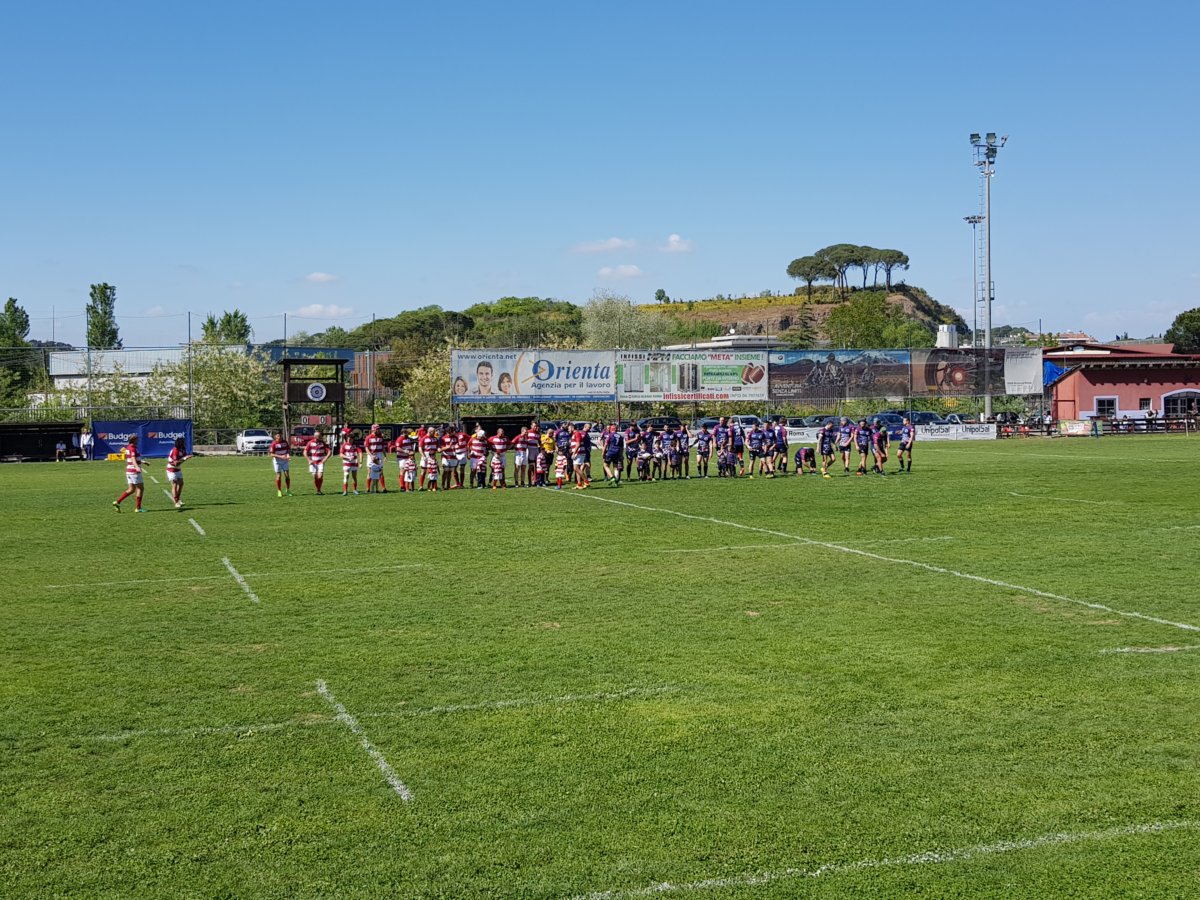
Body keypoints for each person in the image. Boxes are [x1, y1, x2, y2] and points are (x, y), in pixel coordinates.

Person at [113, 434, 149, 512]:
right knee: (140, 488)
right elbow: (133, 459)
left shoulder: (129, 447)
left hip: (129, 471)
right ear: (134, 440)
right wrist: (137, 467)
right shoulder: (132, 448)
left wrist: (142, 462)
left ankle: (117, 502)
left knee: (131, 489)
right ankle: (138, 508)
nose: (138, 441)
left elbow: (130, 457)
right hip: (134, 471)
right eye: (137, 439)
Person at [165, 437, 192, 509]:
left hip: (178, 469)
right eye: (183, 442)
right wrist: (185, 458)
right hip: (171, 469)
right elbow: (176, 463)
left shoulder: (182, 449)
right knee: (174, 484)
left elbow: (183, 458)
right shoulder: (175, 450)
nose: (184, 443)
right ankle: (176, 502)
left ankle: (178, 499)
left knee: (181, 483)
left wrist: (186, 457)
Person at [304, 429, 331, 494]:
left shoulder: (322, 443)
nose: (321, 437)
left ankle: (319, 490)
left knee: (320, 476)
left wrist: (325, 459)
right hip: (313, 463)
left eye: (320, 436)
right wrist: (309, 460)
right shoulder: (310, 443)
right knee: (315, 477)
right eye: (319, 436)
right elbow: (305, 452)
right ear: (315, 436)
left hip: (320, 462)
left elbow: (329, 451)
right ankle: (318, 490)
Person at [363, 424, 389, 493]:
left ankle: (383, 488)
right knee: (369, 472)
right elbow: (366, 448)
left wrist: (385, 456)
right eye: (377, 429)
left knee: (380, 472)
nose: (378, 430)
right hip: (371, 455)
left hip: (379, 455)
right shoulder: (368, 437)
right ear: (373, 429)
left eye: (379, 429)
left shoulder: (381, 437)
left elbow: (383, 447)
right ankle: (368, 488)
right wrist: (371, 455)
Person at [270, 430, 292, 496]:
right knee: (279, 476)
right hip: (277, 462)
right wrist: (281, 456)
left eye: (280, 435)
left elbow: (288, 450)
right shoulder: (274, 444)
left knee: (287, 476)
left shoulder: (285, 442)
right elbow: (271, 454)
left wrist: (288, 455)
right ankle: (279, 491)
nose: (279, 437)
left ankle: (288, 490)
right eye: (278, 436)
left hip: (285, 461)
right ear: (275, 437)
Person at [340, 431, 361, 495]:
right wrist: (348, 457)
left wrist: (360, 462)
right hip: (346, 463)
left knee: (354, 477)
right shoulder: (344, 445)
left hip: (354, 463)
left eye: (350, 439)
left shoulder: (356, 445)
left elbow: (360, 453)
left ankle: (354, 490)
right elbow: (341, 454)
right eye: (348, 438)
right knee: (346, 476)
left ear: (353, 439)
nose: (348, 440)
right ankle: (345, 491)